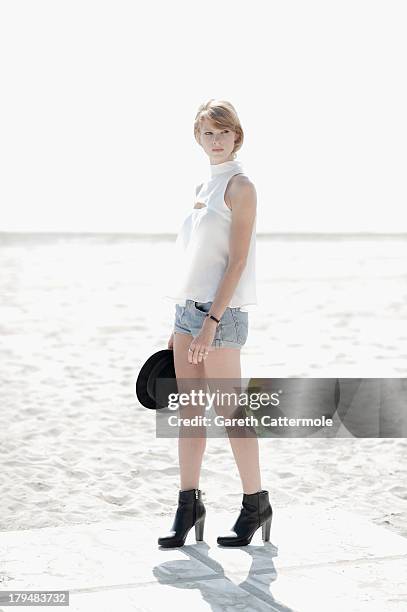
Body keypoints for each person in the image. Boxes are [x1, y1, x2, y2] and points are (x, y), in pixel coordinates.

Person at [159, 99, 272, 548]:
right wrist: (182, 322)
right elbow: (195, 258)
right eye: (208, 133)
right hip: (188, 313)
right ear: (198, 139)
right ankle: (189, 506)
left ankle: (255, 502)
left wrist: (210, 322)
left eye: (223, 132)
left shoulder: (241, 187)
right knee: (189, 414)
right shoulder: (202, 186)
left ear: (237, 136)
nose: (216, 140)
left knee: (229, 411)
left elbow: (238, 261)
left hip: (219, 318)